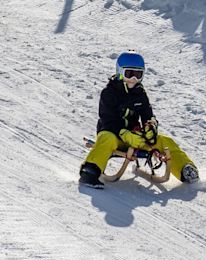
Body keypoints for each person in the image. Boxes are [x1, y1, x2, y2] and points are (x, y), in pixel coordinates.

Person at [81, 52, 196, 188]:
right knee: (106, 138)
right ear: (119, 72)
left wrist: (151, 128)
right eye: (129, 74)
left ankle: (186, 169)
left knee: (165, 141)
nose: (134, 78)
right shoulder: (109, 93)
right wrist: (124, 134)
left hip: (136, 139)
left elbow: (148, 116)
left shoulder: (140, 94)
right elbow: (107, 119)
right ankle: (90, 172)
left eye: (138, 74)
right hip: (114, 136)